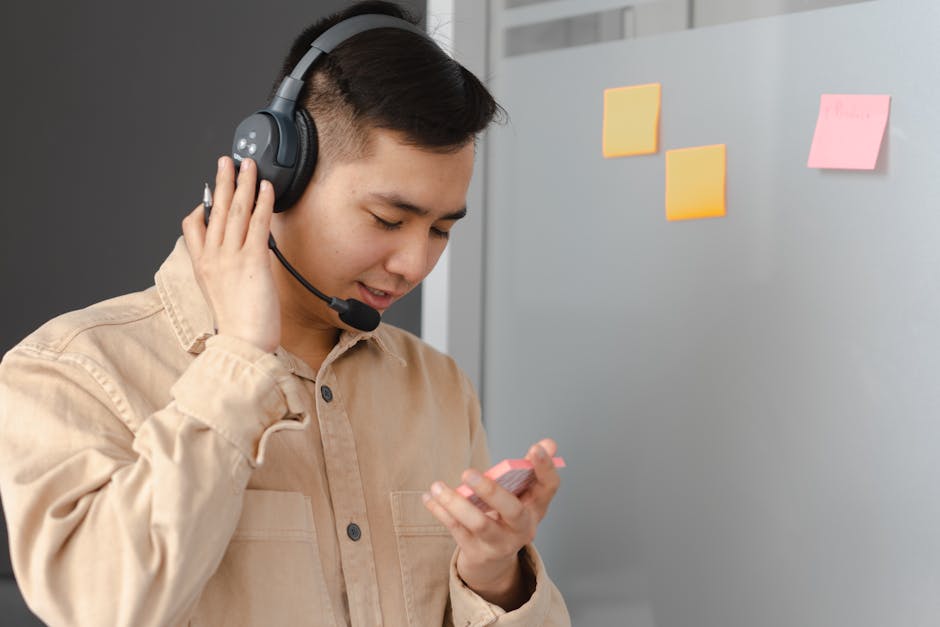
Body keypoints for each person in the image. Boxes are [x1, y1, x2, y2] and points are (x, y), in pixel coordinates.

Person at [0, 1, 570, 625]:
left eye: (439, 229)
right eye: (388, 219)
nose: (414, 263)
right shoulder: (66, 371)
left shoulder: (436, 388)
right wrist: (240, 358)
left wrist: (493, 578)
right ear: (276, 172)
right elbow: (104, 609)